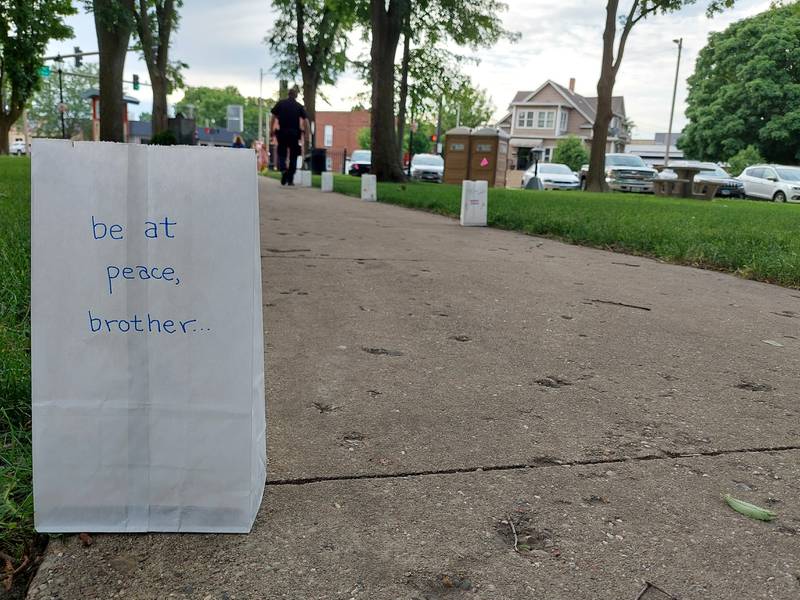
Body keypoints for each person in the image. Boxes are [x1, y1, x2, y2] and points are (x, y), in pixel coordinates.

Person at [270, 87, 309, 186]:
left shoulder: (281, 104)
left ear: (288, 94)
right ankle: (290, 178)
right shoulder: (299, 106)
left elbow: (273, 117)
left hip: (282, 133)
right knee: (293, 156)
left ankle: (283, 171)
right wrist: (307, 135)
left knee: (282, 154)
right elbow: (306, 121)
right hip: (294, 134)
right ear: (296, 96)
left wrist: (271, 130)